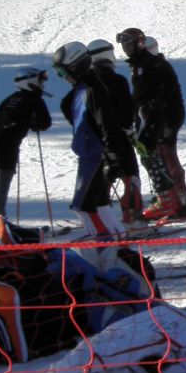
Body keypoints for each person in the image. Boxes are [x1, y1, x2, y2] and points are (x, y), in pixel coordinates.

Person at [53, 41, 127, 240]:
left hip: (95, 157)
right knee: (100, 203)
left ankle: (105, 247)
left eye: (62, 72)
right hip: (88, 155)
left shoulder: (93, 90)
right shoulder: (82, 89)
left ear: (76, 66)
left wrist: (111, 157)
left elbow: (108, 123)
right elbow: (73, 109)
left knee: (83, 206)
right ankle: (119, 244)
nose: (62, 78)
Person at [117, 27, 186, 220]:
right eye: (123, 44)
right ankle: (176, 199)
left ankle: (172, 200)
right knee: (155, 154)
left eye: (128, 43)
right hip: (157, 115)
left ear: (139, 43)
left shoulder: (151, 63)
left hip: (163, 116)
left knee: (154, 154)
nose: (125, 48)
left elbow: (162, 91)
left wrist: (150, 112)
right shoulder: (140, 63)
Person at [0, 67, 52, 237]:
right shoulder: (35, 100)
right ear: (30, 81)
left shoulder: (11, 98)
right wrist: (33, 122)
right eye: (40, 80)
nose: (43, 84)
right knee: (1, 188)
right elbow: (45, 123)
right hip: (8, 144)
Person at [87, 39, 143, 224]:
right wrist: (130, 131)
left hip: (98, 140)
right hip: (120, 137)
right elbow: (127, 110)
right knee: (130, 177)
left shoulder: (88, 84)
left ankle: (104, 221)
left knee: (105, 179)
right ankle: (132, 218)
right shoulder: (117, 80)